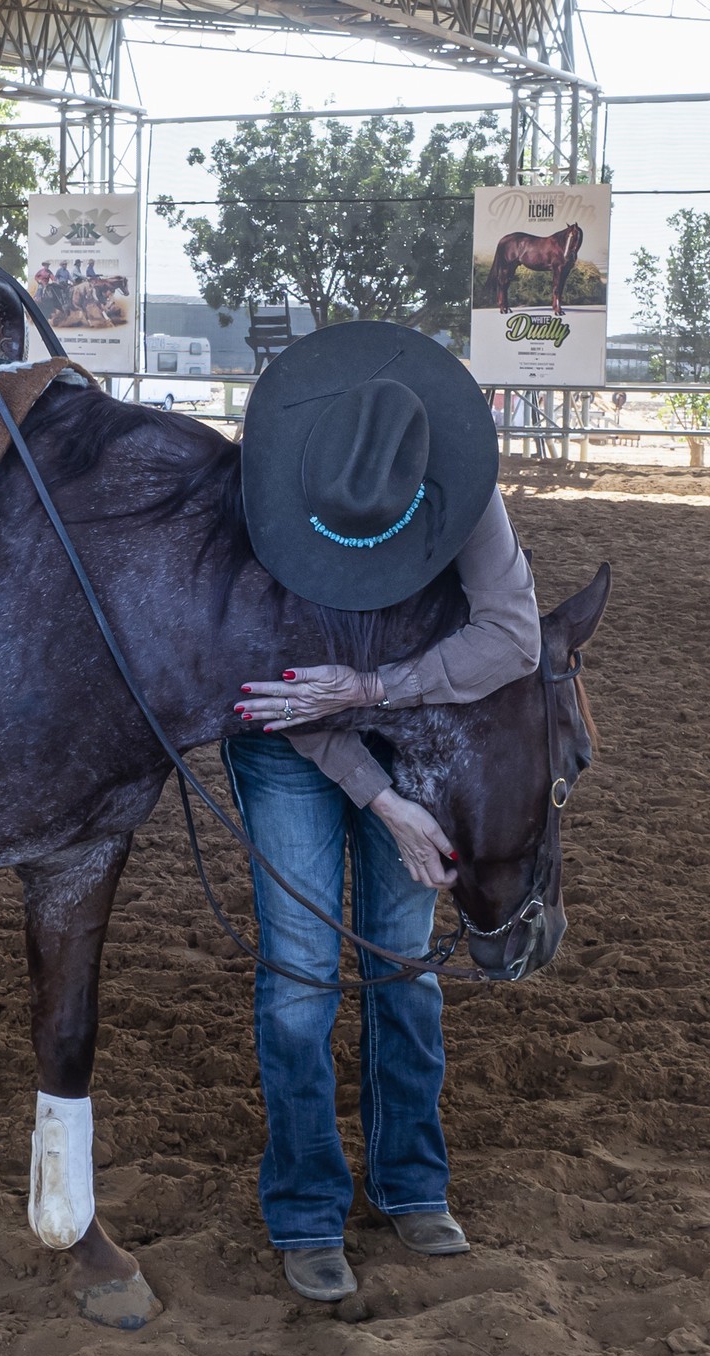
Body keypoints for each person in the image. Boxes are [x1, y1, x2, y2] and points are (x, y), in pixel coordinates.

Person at [225, 321, 541, 1305]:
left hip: (402, 733)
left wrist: (372, 691)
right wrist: (381, 797)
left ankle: (412, 1184)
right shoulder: (258, 497)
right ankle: (309, 1207)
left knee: (404, 972)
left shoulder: (465, 493)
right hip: (290, 754)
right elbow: (271, 687)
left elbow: (516, 637)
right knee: (301, 981)